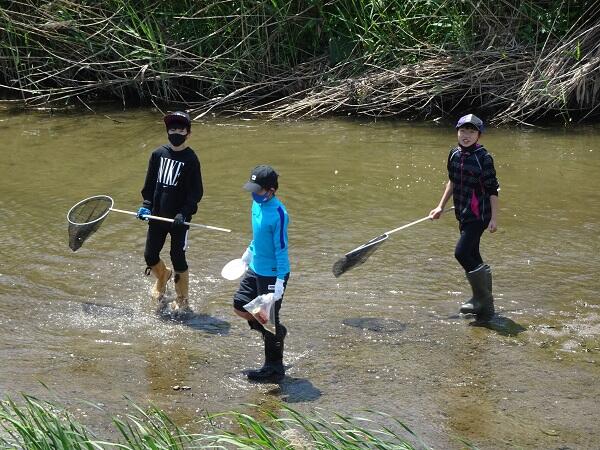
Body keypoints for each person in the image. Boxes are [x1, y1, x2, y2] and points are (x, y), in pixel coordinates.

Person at [429, 114, 499, 322]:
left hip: (479, 214)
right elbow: (451, 182)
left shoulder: (483, 157)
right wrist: (440, 206)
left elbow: (493, 189)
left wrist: (494, 218)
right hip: (462, 212)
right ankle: (485, 306)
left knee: (461, 253)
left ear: (479, 135)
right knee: (473, 254)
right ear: (457, 132)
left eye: (471, 132)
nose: (466, 135)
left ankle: (481, 299)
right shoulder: (454, 154)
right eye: (463, 131)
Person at [137, 111, 203, 314]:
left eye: (181, 129)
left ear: (188, 133)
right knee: (150, 255)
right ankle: (163, 275)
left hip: (179, 221)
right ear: (167, 131)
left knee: (178, 257)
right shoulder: (158, 154)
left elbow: (196, 192)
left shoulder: (191, 159)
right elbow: (149, 185)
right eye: (172, 129)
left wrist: (184, 213)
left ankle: (182, 299)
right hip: (157, 215)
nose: (176, 132)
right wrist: (146, 205)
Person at [232, 165, 290, 382]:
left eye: (259, 190)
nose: (254, 194)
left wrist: (279, 282)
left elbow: (281, 250)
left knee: (268, 320)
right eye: (252, 190)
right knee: (240, 305)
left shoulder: (279, 214)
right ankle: (276, 331)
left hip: (273, 274)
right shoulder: (255, 205)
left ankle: (274, 368)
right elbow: (258, 237)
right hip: (255, 268)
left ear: (271, 190)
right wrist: (247, 255)